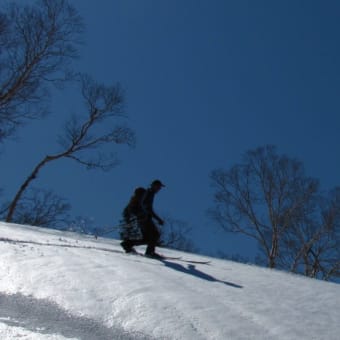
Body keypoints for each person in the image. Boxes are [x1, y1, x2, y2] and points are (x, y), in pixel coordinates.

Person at [140, 179, 165, 258]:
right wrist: (158, 219)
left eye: (160, 187)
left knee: (151, 236)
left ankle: (150, 252)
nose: (159, 189)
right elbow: (145, 206)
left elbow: (147, 207)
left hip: (146, 217)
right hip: (145, 217)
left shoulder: (151, 193)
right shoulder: (149, 193)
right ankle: (150, 252)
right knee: (155, 234)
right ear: (154, 186)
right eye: (159, 187)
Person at [120, 187, 146, 253]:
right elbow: (131, 210)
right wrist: (137, 216)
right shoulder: (135, 200)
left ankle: (128, 246)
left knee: (136, 235)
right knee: (142, 237)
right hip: (133, 219)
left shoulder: (137, 200)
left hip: (133, 219)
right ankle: (127, 246)